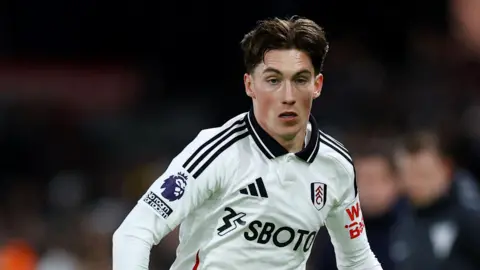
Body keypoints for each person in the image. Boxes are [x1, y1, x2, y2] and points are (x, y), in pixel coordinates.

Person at [112, 16, 382, 270]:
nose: (288, 96)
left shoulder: (335, 164)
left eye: (300, 80)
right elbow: (135, 231)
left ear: (317, 85)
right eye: (273, 80)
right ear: (250, 85)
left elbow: (357, 260)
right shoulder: (217, 151)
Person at [391, 130, 480, 270]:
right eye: (408, 175)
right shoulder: (399, 223)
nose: (415, 183)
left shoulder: (470, 219)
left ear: (446, 169)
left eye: (424, 175)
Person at [315, 140, 402, 270]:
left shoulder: (414, 226)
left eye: (377, 179)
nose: (370, 187)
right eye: (363, 179)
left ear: (395, 182)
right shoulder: (334, 235)